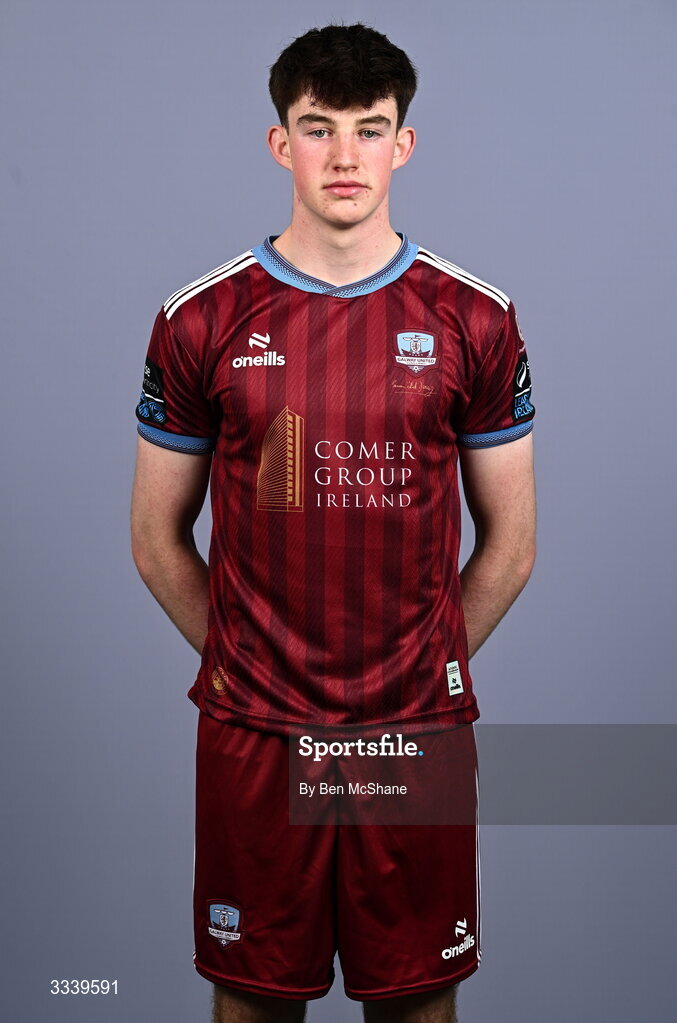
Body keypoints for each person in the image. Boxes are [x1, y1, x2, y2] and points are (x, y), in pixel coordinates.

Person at [130, 21, 536, 1023]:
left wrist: (416, 669)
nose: (343, 154)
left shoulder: (473, 320)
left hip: (411, 732)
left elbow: (511, 547)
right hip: (257, 734)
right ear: (281, 144)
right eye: (317, 127)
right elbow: (155, 540)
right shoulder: (202, 319)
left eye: (368, 127)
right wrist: (250, 661)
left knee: (415, 1002)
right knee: (252, 1000)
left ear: (403, 143)